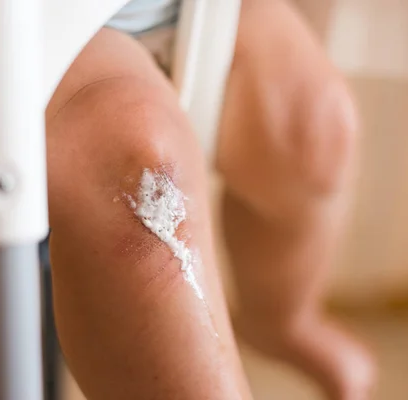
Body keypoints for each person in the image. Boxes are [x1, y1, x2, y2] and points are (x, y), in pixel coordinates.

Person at [45, 0, 375, 398]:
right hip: (36, 34)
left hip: (193, 9)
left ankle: (283, 319)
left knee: (318, 126)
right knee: (142, 181)